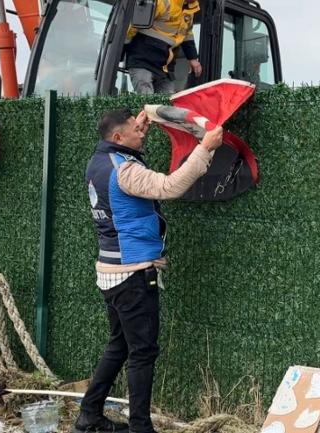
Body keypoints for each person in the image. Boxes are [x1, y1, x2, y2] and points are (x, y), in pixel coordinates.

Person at [75, 108, 223, 433]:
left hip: (110, 271)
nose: (142, 132)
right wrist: (205, 148)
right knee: (142, 352)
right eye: (135, 130)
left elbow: (128, 154)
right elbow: (169, 186)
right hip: (133, 274)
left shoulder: (99, 160)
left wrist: (141, 127)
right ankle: (140, 428)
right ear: (118, 138)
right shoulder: (125, 171)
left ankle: (88, 416)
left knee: (119, 345)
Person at [125, 0, 203, 95]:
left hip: (165, 68)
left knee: (167, 104)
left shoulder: (190, 9)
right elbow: (134, 24)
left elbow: (187, 33)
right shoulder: (163, 2)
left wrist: (193, 58)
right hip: (143, 61)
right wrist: (123, 44)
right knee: (146, 100)